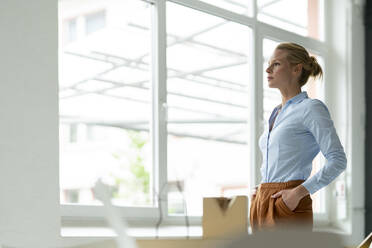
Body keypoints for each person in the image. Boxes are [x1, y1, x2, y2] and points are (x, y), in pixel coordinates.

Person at [249, 42, 347, 232]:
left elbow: (338, 160)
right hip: (263, 200)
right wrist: (261, 189)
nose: (268, 69)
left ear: (296, 69)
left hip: (288, 202)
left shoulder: (311, 108)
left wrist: (299, 192)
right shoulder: (276, 113)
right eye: (269, 63)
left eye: (276, 64)